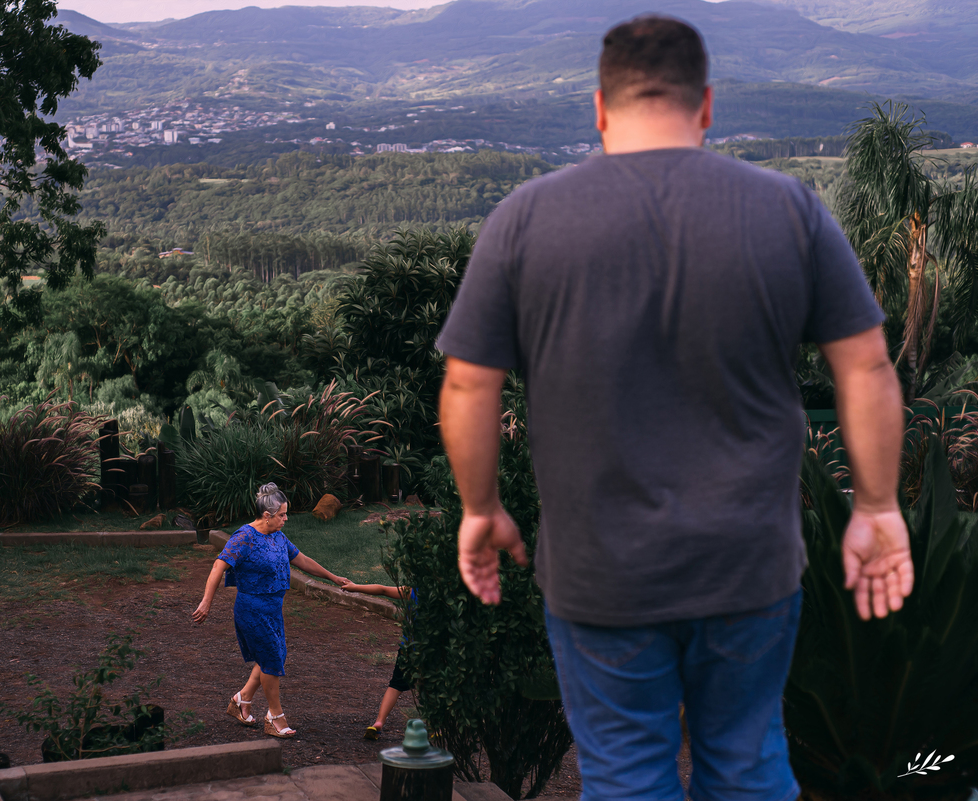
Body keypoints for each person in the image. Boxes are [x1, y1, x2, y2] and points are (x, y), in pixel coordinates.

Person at [435, 15, 913, 801]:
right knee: (749, 766)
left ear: (599, 107)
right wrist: (878, 506)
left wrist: (480, 508)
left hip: (601, 574)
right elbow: (864, 364)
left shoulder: (525, 219)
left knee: (626, 779)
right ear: (707, 105)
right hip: (749, 567)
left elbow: (467, 384)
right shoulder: (790, 210)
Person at [192, 482, 349, 738]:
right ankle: (274, 717)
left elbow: (302, 560)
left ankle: (241, 701)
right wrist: (206, 602)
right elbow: (218, 567)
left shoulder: (278, 536)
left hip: (274, 608)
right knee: (272, 660)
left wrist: (333, 578)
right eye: (282, 515)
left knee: (274, 656)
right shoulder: (244, 537)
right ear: (267, 515)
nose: (286, 518)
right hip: (252, 608)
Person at [340, 581, 417, 740]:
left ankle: (379, 722)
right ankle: (436, 727)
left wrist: (355, 587)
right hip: (432, 652)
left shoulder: (413, 591)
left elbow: (383, 590)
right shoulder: (446, 597)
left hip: (409, 650)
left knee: (395, 686)